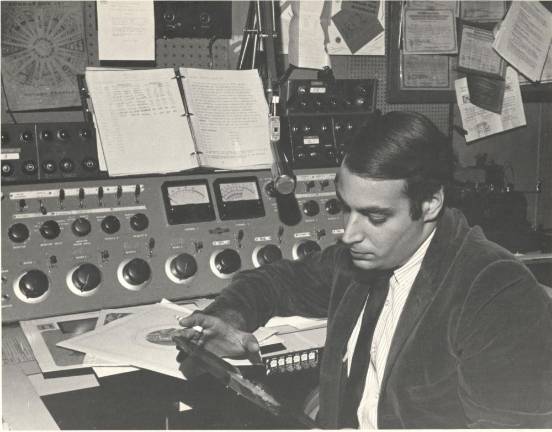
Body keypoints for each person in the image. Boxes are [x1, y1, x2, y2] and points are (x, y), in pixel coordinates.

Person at [176, 111, 552, 428]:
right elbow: (277, 280)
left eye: (374, 216)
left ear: (431, 202)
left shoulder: (496, 293)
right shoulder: (359, 260)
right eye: (347, 208)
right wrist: (231, 317)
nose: (350, 233)